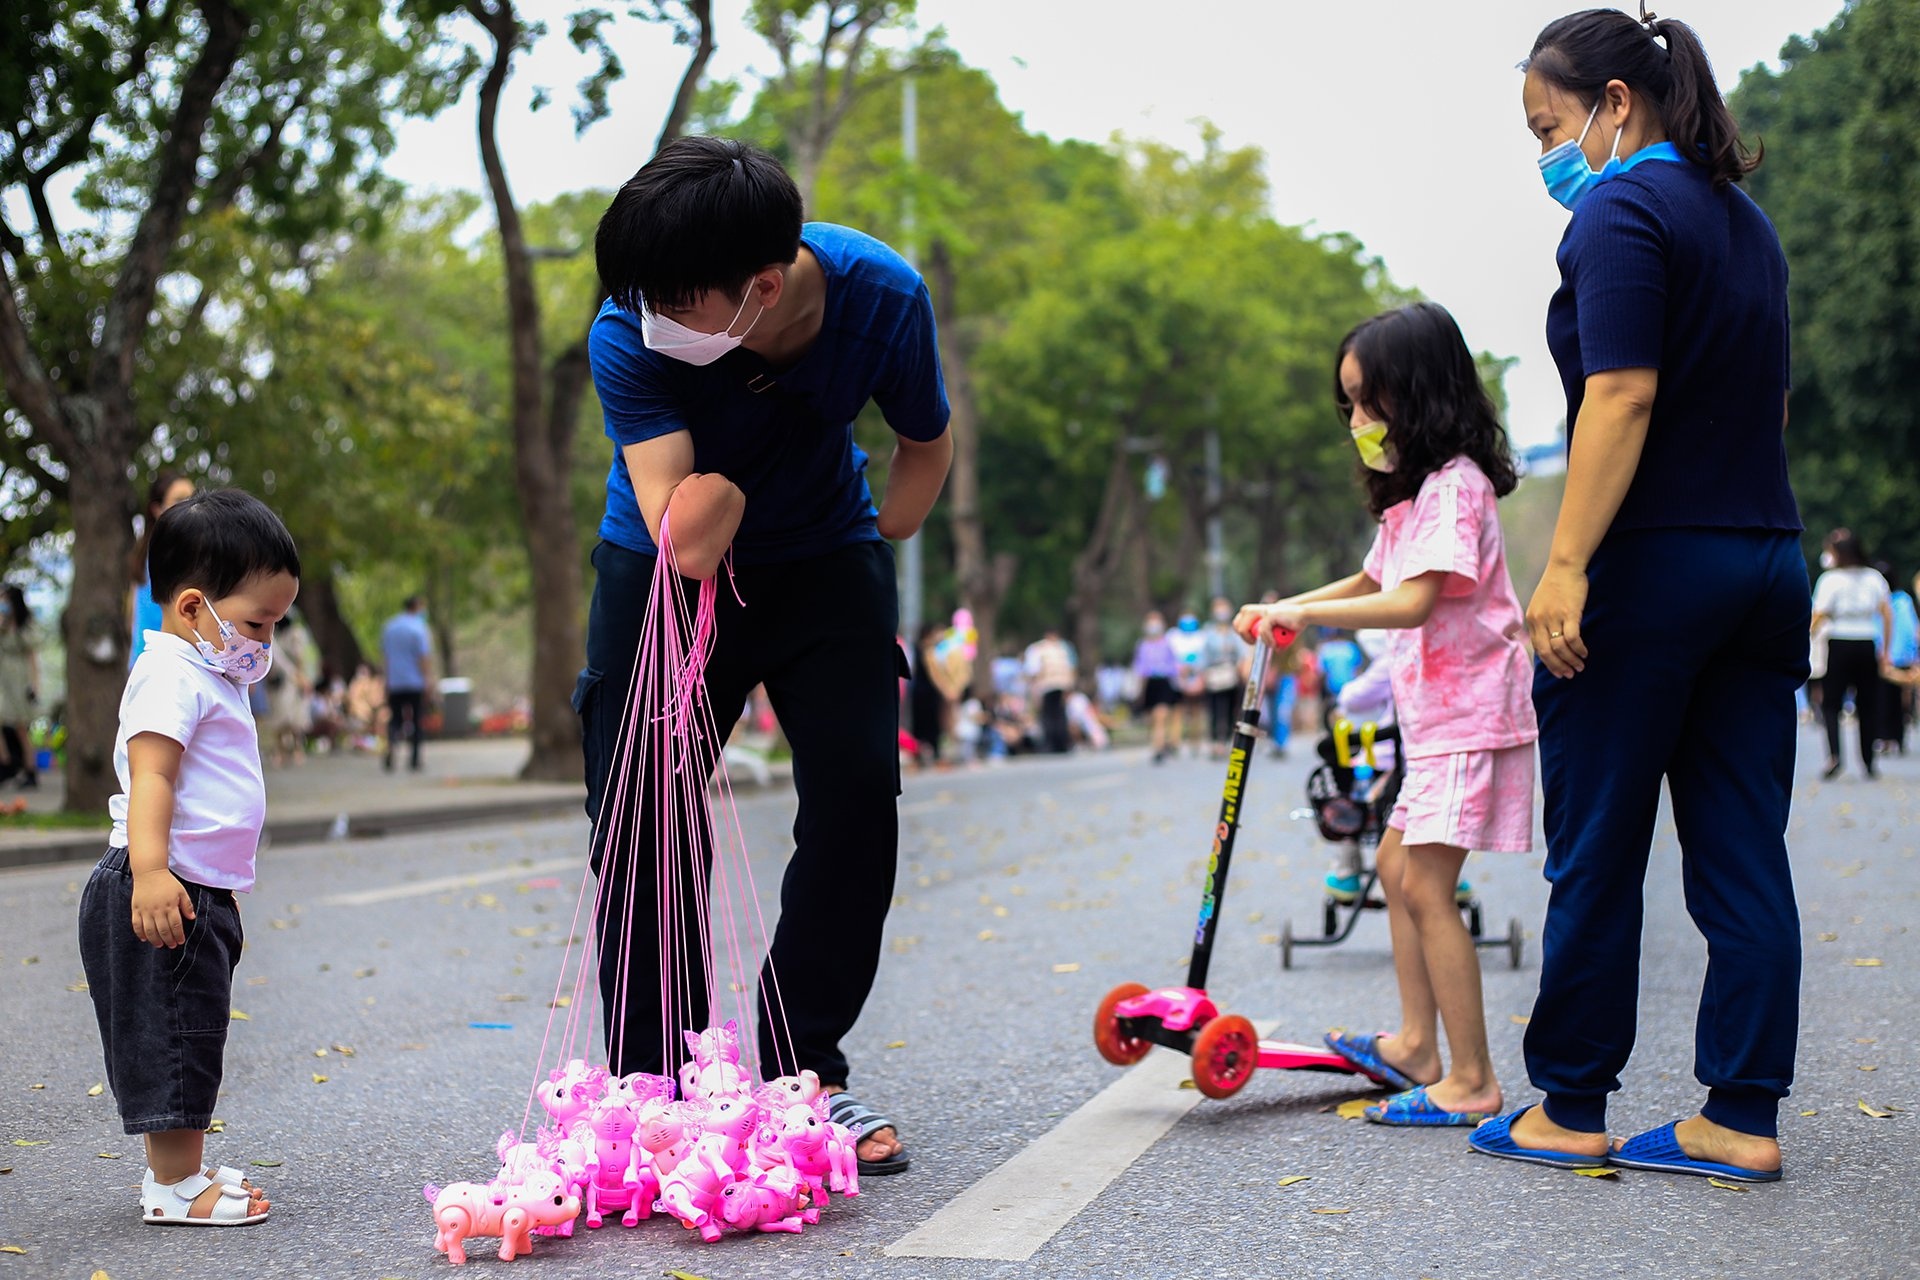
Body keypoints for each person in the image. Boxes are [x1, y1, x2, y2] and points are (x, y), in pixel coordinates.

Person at [1478, 9, 1808, 1181]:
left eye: (1549, 126)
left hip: (1653, 566)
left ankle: (1570, 1102)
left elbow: (1619, 395)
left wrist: (1565, 564)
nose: (1547, 154)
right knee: (1743, 847)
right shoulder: (1748, 224)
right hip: (1764, 559)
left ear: (1616, 103)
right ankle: (1741, 1113)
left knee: (1601, 842)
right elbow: (1771, 407)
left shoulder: (1622, 211)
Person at [578, 136, 950, 1175]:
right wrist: (722, 487)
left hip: (826, 555)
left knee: (857, 797)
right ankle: (661, 1091)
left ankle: (804, 1072)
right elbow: (682, 529)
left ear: (764, 286)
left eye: (672, 300)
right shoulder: (627, 329)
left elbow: (926, 441)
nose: (648, 316)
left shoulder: (884, 296)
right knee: (643, 816)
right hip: (667, 566)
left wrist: (878, 539)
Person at [1238, 301, 1535, 1128]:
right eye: (1351, 404)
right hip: (1437, 720)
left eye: (1370, 400)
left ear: (1422, 393)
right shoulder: (1416, 497)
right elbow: (1374, 580)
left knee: (1428, 885)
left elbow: (1411, 602)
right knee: (1398, 869)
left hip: (1470, 716)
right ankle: (1414, 1047)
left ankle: (1470, 1078)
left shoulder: (1456, 487)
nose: (1359, 421)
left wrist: (1305, 614)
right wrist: (1287, 607)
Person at [76, 488, 299, 1226]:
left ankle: (182, 1168)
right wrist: (150, 872)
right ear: (193, 606)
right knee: (172, 1037)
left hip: (195, 890)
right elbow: (153, 777)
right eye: (257, 622)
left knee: (189, 1031)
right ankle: (173, 1186)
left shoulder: (209, 672)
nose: (265, 640)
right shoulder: (170, 675)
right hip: (161, 885)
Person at [1808, 532, 1891, 779]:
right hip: (1866, 641)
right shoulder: (1873, 577)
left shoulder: (1830, 579)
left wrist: (1807, 636)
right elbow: (1886, 614)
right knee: (1868, 704)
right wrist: (1885, 650)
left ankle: (1835, 756)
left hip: (1839, 642)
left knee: (1831, 703)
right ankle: (1868, 760)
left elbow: (1819, 614)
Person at [128, 471, 197, 666]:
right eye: (179, 500)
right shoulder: (171, 553)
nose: (190, 507)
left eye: (194, 498)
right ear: (157, 509)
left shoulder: (144, 554)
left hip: (148, 661)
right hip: (167, 663)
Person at [379, 596, 433, 773]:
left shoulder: (389, 627)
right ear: (417, 607)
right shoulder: (419, 628)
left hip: (395, 682)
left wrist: (386, 681)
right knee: (416, 720)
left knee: (395, 719)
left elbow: (386, 658)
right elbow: (423, 657)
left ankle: (392, 747)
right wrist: (427, 680)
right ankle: (415, 759)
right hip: (414, 682)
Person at [1871, 560, 1913, 756]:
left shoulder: (1895, 601)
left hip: (1889, 657)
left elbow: (1906, 630)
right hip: (1894, 657)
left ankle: (1891, 737)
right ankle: (1892, 736)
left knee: (1888, 700)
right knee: (1891, 700)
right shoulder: (1901, 601)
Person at [1200, 597, 1250, 759]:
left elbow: (1241, 654)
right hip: (1214, 676)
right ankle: (1215, 742)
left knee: (1230, 710)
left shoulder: (1234, 631)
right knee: (1214, 710)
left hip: (1231, 676)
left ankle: (1227, 740)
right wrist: (1203, 674)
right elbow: (1203, 656)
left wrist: (1242, 671)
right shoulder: (1208, 632)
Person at [0, 586, 39, 788]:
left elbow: (32, 658)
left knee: (21, 728)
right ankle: (6, 763)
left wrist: (35, 685)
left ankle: (30, 770)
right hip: (4, 682)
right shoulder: (2, 624)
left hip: (20, 683)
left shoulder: (25, 627)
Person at [1131, 610, 1182, 764]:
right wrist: (1138, 690)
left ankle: (1159, 747)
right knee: (1153, 718)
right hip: (1150, 684)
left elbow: (1174, 665)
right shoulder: (1142, 645)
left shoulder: (1167, 643)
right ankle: (1161, 742)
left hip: (1164, 682)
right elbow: (1139, 668)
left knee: (1161, 715)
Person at [1022, 628, 1077, 754]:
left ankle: (1050, 744)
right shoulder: (1064, 648)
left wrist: (1033, 689)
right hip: (1062, 685)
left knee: (1047, 716)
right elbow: (1071, 668)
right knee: (1060, 714)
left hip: (1045, 685)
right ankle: (1062, 743)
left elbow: (1033, 670)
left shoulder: (1037, 648)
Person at [1168, 612, 1208, 756]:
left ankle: (1195, 741)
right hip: (1178, 680)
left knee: (1196, 712)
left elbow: (1204, 658)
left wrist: (1195, 670)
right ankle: (1175, 741)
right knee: (1177, 711)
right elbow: (1169, 658)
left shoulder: (1201, 637)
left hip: (1196, 679)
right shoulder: (1173, 637)